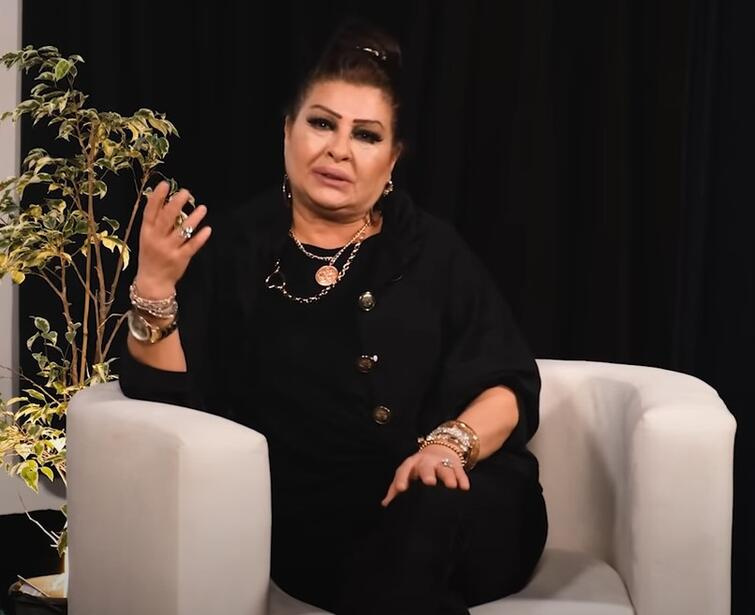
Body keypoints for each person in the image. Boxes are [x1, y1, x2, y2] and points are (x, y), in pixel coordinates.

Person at [119, 20, 548, 615]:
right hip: (314, 528)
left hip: (458, 500)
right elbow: (169, 403)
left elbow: (508, 382)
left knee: (426, 514)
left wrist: (448, 448)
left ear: (392, 159)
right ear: (287, 130)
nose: (339, 150)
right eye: (322, 124)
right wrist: (154, 285)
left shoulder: (433, 251)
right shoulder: (234, 248)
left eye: (366, 135)